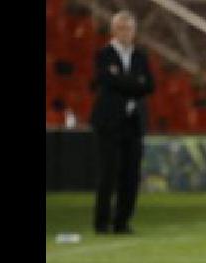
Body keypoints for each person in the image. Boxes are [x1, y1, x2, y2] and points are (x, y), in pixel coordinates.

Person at [89, 10, 154, 234]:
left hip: (133, 122)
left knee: (131, 174)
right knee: (108, 172)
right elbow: (106, 81)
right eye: (121, 28)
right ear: (113, 30)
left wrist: (122, 82)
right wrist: (134, 83)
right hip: (108, 122)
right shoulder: (104, 54)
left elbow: (149, 86)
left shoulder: (140, 56)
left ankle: (122, 221)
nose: (126, 33)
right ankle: (101, 222)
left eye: (129, 28)